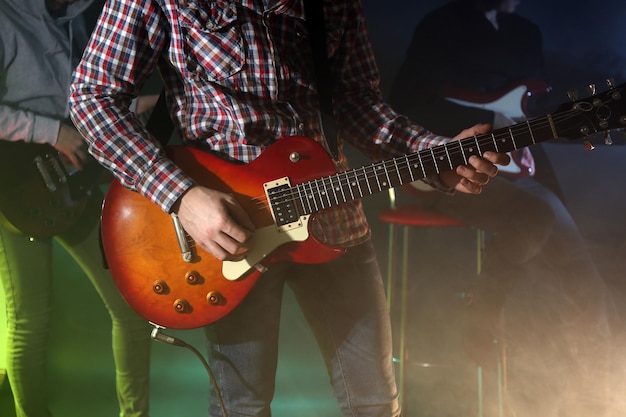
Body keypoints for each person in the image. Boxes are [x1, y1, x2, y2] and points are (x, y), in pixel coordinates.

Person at [68, 1, 510, 416]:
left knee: (374, 402)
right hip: (227, 233)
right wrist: (182, 196)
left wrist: (435, 156)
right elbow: (91, 97)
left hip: (332, 214)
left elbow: (358, 103)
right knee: (243, 406)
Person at [388, 0, 613, 416]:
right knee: (539, 217)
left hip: (520, 169)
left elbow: (537, 107)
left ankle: (593, 393)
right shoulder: (441, 23)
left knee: (577, 267)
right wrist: (483, 120)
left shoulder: (527, 32)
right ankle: (484, 314)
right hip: (449, 167)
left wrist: (579, 122)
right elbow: (403, 104)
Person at [0, 0, 153, 416]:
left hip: (73, 183)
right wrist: (52, 133)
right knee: (30, 323)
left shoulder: (86, 14)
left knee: (132, 308)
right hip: (14, 188)